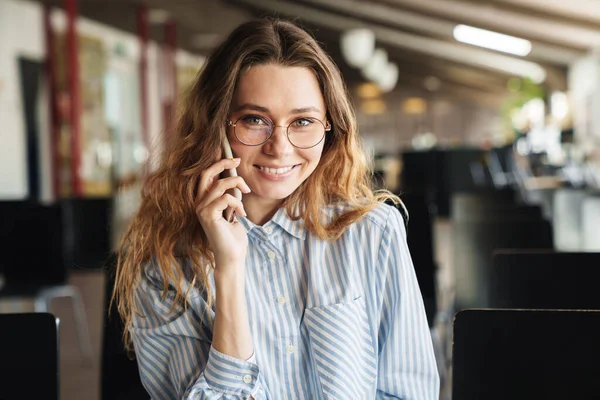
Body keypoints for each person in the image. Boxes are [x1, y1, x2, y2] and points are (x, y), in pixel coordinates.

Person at [112, 18, 439, 400]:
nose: (279, 148)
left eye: (302, 121)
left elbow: (409, 392)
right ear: (214, 124)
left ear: (330, 126)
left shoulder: (373, 232)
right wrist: (229, 270)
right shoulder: (165, 265)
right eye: (254, 120)